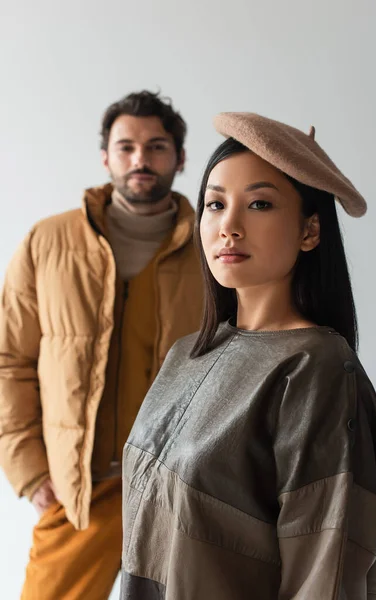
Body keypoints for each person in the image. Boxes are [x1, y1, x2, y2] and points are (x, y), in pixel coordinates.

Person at [120, 113, 376, 599]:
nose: (229, 226)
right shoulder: (187, 353)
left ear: (310, 231)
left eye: (260, 204)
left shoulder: (317, 369)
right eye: (215, 203)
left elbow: (326, 569)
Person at [0, 90, 203, 599]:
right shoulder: (48, 242)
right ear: (105, 156)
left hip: (180, 486)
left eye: (157, 147)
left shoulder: (215, 247)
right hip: (80, 489)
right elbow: (10, 360)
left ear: (180, 158)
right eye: (126, 146)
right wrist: (30, 472)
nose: (141, 159)